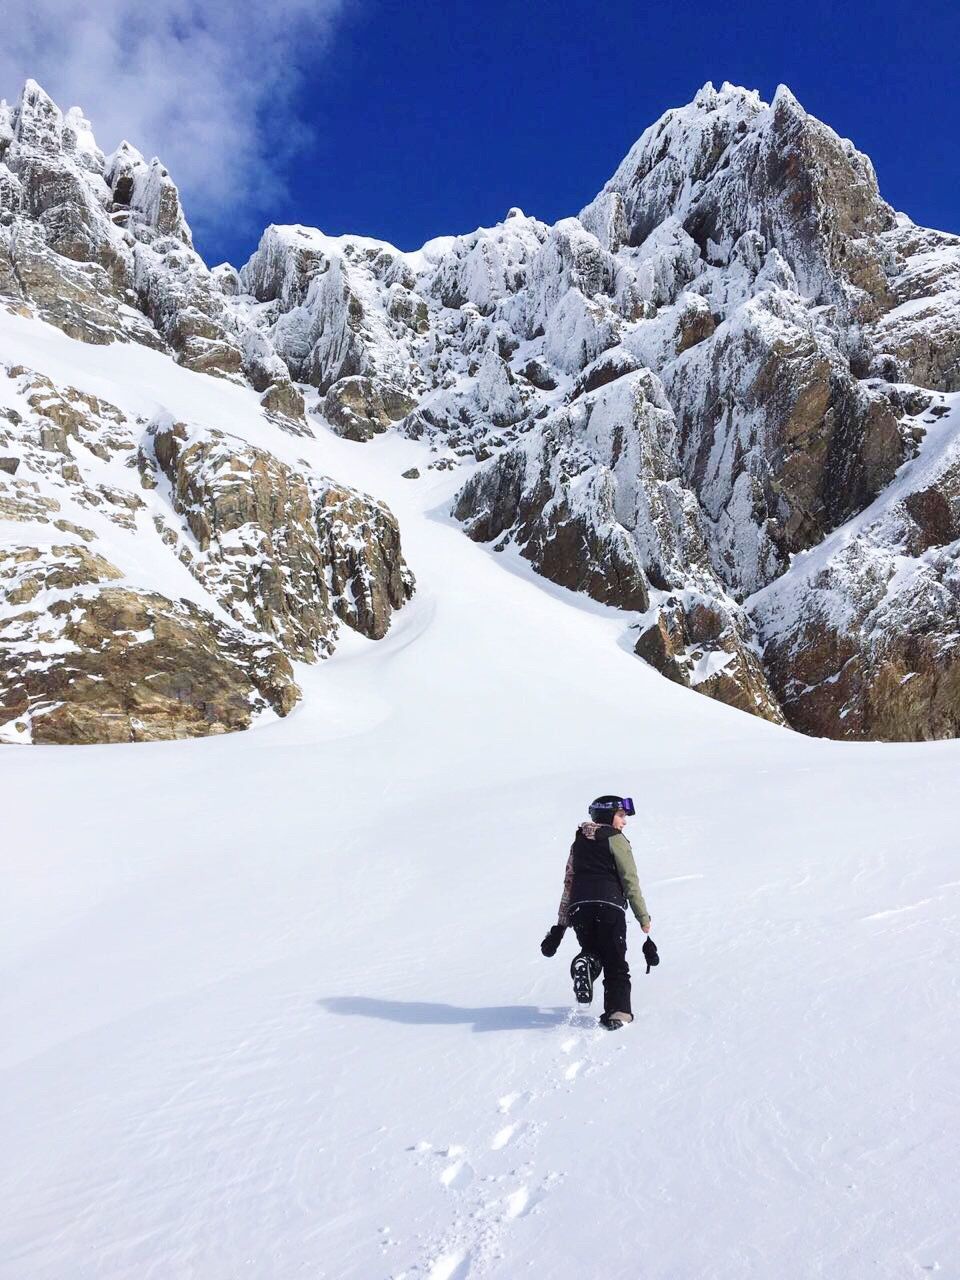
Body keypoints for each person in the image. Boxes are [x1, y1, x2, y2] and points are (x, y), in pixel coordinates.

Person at [544, 794, 651, 1031]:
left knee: (593, 952)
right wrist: (642, 916)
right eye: (621, 815)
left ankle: (586, 961)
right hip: (609, 905)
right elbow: (629, 880)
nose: (625, 822)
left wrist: (559, 928)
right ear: (608, 815)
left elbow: (568, 882)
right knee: (615, 961)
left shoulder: (578, 842)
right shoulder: (616, 839)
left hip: (579, 908)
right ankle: (618, 1013)